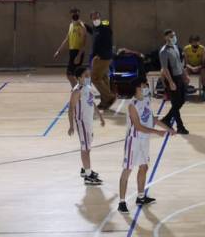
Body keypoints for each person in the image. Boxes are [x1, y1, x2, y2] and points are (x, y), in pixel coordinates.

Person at [118, 79, 174, 213]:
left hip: (144, 140)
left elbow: (152, 118)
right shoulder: (132, 105)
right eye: (143, 86)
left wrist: (168, 128)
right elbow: (138, 126)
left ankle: (141, 197)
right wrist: (157, 132)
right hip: (134, 141)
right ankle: (122, 202)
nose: (146, 88)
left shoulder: (146, 100)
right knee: (127, 170)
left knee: (144, 167)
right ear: (137, 88)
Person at [68, 67, 105, 186]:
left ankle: (85, 170)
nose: (88, 77)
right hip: (82, 123)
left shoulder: (88, 88)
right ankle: (88, 177)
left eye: (89, 75)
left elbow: (92, 103)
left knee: (87, 148)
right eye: (86, 75)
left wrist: (100, 116)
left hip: (89, 122)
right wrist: (71, 126)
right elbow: (70, 108)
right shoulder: (76, 91)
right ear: (79, 78)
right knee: (85, 149)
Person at [158, 29, 189, 135]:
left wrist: (185, 75)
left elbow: (180, 63)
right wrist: (171, 82)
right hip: (172, 78)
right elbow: (165, 69)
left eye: (174, 35)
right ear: (166, 37)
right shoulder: (163, 51)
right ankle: (180, 126)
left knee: (182, 100)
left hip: (179, 77)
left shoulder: (175, 47)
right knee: (175, 103)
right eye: (171, 36)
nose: (173, 37)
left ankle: (166, 119)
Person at [88, 11, 115, 110]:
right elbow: (93, 31)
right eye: (94, 18)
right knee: (103, 78)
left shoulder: (104, 27)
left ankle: (110, 96)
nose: (96, 19)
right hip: (100, 57)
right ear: (91, 19)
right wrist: (84, 25)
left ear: (100, 17)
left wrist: (99, 54)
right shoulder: (95, 28)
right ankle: (105, 102)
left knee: (94, 78)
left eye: (97, 17)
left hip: (102, 57)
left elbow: (108, 42)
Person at [54, 8, 87, 88]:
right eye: (73, 13)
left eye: (76, 13)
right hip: (72, 51)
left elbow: (84, 41)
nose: (74, 14)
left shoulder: (81, 26)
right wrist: (58, 51)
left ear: (79, 14)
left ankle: (78, 91)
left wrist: (79, 55)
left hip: (77, 52)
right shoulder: (71, 25)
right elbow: (67, 39)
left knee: (71, 74)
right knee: (73, 75)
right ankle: (77, 91)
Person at [182, 35, 205, 101]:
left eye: (197, 42)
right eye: (194, 42)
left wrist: (198, 67)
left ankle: (204, 92)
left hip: (199, 67)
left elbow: (203, 63)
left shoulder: (202, 48)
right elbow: (186, 63)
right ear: (190, 43)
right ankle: (183, 92)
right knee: (185, 73)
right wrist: (192, 68)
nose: (195, 43)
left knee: (203, 72)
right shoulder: (186, 49)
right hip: (190, 67)